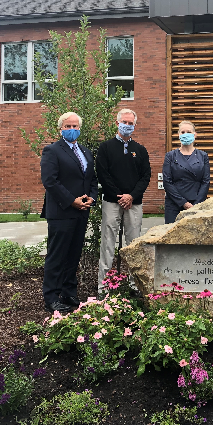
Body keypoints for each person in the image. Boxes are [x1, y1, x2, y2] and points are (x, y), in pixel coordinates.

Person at [40, 112, 98, 313]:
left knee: (74, 254)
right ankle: (51, 297)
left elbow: (91, 178)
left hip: (82, 211)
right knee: (57, 255)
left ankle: (68, 292)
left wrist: (92, 198)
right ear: (60, 129)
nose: (72, 129)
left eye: (75, 126)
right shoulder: (52, 150)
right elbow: (50, 181)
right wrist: (72, 200)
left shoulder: (85, 151)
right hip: (61, 211)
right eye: (68, 126)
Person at [96, 108, 151, 292]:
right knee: (108, 243)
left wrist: (131, 196)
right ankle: (104, 287)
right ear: (117, 123)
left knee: (134, 244)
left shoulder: (140, 150)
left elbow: (145, 176)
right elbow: (103, 174)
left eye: (130, 123)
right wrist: (119, 196)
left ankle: (135, 285)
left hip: (134, 203)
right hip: (112, 202)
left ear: (135, 125)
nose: (127, 125)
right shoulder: (105, 148)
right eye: (124, 122)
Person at [162, 120, 210, 224]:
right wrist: (183, 203)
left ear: (195, 134)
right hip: (174, 203)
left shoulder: (203, 156)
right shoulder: (170, 156)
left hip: (196, 203)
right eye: (182, 132)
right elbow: (167, 181)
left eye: (188, 132)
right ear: (178, 135)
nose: (185, 134)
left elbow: (205, 181)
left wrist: (197, 204)